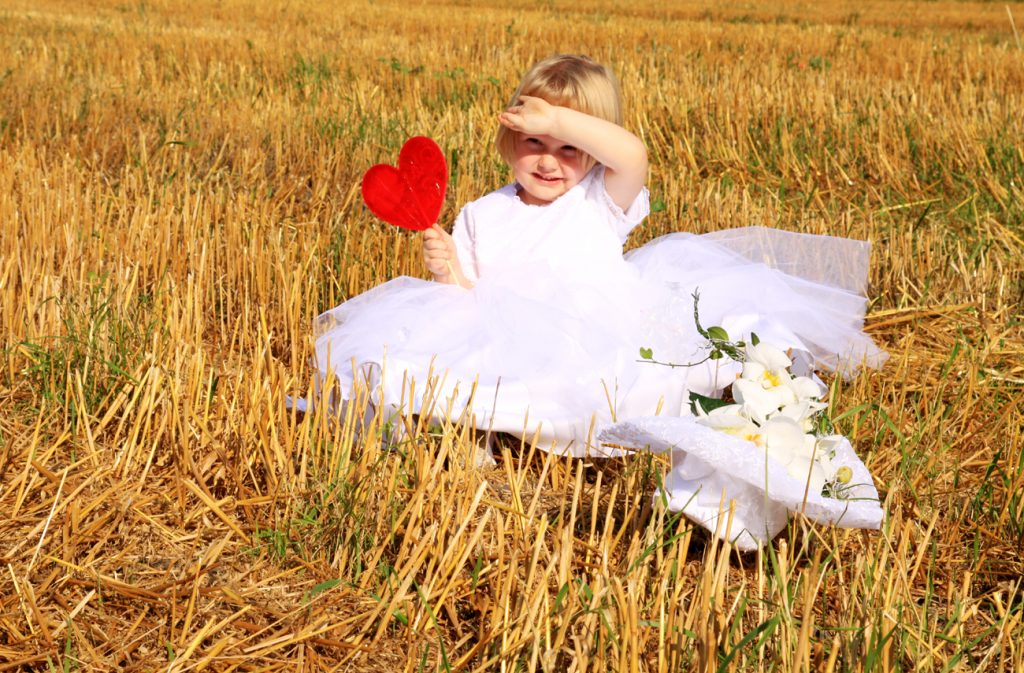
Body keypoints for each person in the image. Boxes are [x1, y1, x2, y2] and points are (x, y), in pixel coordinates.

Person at [313, 54, 886, 458]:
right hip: (520, 349)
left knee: (704, 347)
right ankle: (453, 426)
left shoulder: (598, 201)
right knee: (440, 375)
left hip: (605, 335)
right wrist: (448, 270)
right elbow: (463, 301)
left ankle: (773, 377)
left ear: (590, 151)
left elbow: (632, 153)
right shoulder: (479, 215)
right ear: (510, 137)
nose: (549, 160)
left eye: (570, 148)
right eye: (534, 142)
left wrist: (557, 118)